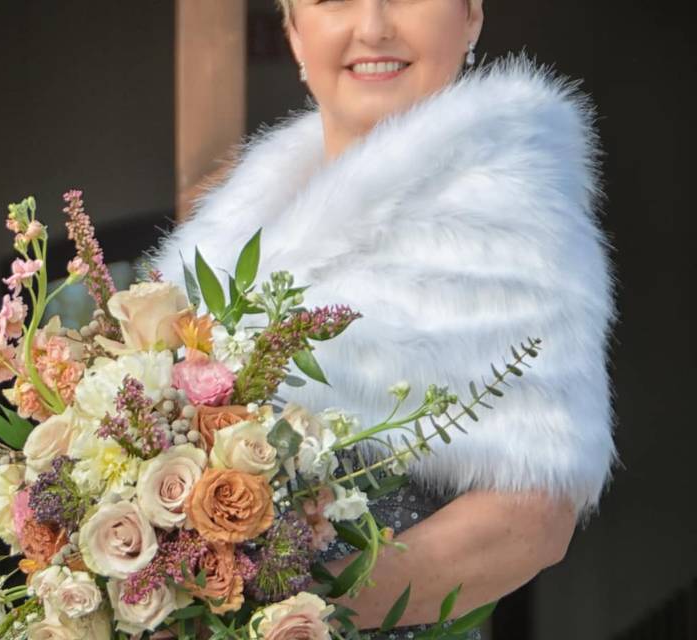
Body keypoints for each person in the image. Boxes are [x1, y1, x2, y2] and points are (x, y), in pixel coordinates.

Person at [140, 0, 616, 637]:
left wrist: (281, 616)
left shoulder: (508, 223)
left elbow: (532, 519)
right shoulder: (241, 221)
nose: (373, 26)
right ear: (293, 28)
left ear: (471, 14)